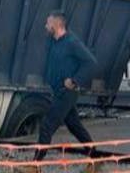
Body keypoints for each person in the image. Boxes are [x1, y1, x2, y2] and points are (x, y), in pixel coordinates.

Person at [34, 11, 97, 164]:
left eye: (48, 23)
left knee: (47, 125)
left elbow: (91, 62)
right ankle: (96, 159)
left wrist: (75, 80)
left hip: (67, 92)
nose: (45, 26)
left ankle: (34, 164)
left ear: (56, 24)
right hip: (57, 91)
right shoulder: (54, 42)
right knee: (75, 126)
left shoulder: (72, 42)